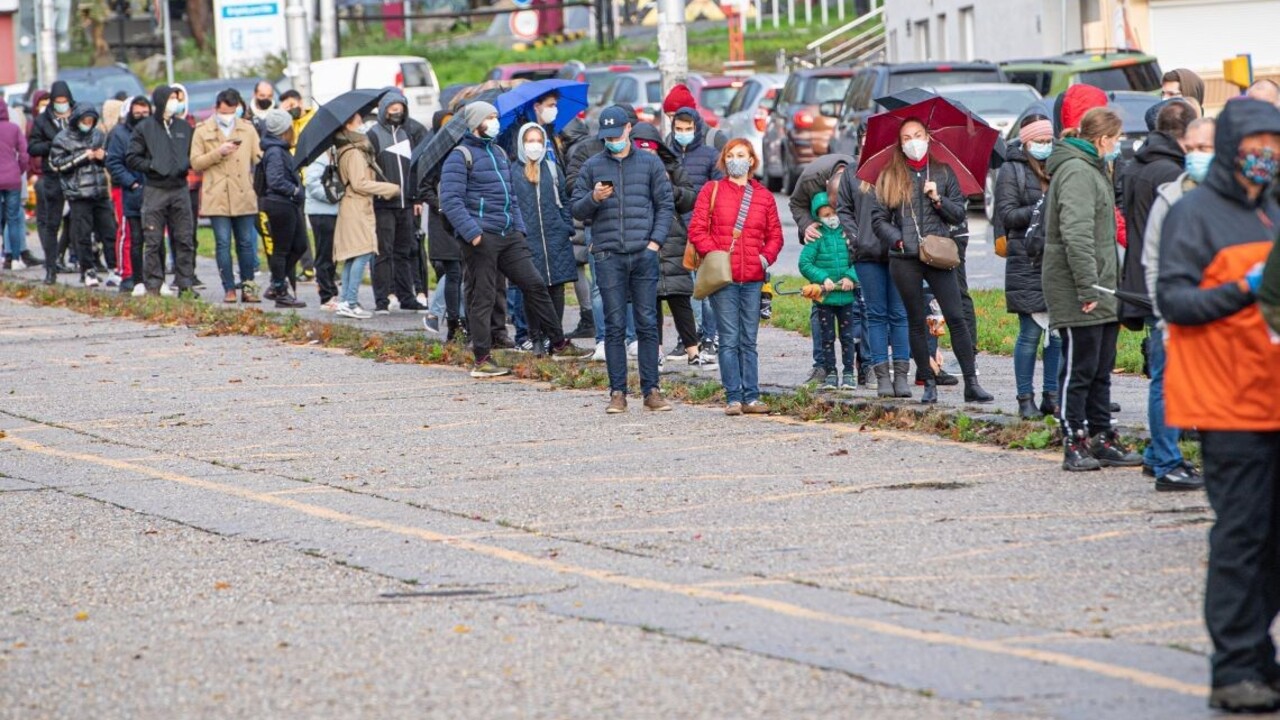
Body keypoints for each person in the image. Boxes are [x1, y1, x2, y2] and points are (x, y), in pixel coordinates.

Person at [1157, 98, 1280, 714]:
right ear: (1233, 146)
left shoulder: (1273, 213)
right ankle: (1233, 668)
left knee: (1273, 541)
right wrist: (1244, 289)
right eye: (1259, 142)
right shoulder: (1195, 216)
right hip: (1227, 404)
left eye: (1277, 144)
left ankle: (1261, 660)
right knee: (1242, 537)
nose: (1269, 154)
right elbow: (1175, 302)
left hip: (1273, 396)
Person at [441, 101, 589, 379]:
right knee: (483, 296)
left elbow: (511, 197)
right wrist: (473, 234)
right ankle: (482, 358)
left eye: (496, 116)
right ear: (477, 122)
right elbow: (450, 201)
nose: (496, 122)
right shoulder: (460, 156)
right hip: (481, 238)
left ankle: (557, 342)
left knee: (534, 285)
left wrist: (518, 227)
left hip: (509, 234)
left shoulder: (497, 152)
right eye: (491, 117)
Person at [1041, 107, 1141, 470]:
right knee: (1079, 369)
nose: (1117, 147)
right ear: (1101, 140)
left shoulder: (1093, 168)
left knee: (1101, 367)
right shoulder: (1077, 172)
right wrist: (1087, 288)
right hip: (1081, 288)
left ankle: (1102, 435)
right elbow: (1076, 234)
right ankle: (1074, 439)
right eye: (1114, 140)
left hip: (1100, 285)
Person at [872, 118, 992, 405]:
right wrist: (899, 240)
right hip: (905, 258)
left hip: (938, 255)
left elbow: (958, 215)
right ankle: (928, 382)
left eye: (917, 135)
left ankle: (971, 383)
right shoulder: (890, 176)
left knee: (956, 317)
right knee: (916, 321)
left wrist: (938, 199)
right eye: (906, 138)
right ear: (900, 144)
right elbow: (878, 219)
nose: (913, 142)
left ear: (928, 138)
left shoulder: (942, 171)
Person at [571, 105, 675, 412]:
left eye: (616, 134)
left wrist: (655, 243)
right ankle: (617, 392)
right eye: (606, 136)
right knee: (614, 325)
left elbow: (665, 205)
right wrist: (594, 198)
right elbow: (576, 209)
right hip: (608, 255)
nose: (612, 140)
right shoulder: (591, 166)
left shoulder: (649, 164)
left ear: (629, 129)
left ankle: (651, 390)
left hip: (644, 254)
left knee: (646, 324)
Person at [1140, 116, 1213, 492]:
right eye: (1192, 148)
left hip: (1220, 315)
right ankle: (1166, 459)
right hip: (1175, 312)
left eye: (1206, 149)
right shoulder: (1171, 197)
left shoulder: (1237, 196)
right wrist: (1164, 315)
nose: (1197, 156)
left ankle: (1159, 455)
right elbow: (1153, 260)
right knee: (1166, 382)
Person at [688, 139, 782, 415]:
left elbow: (775, 235)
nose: (735, 160)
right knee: (729, 338)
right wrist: (716, 255)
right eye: (730, 155)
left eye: (741, 155)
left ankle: (751, 396)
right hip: (724, 278)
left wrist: (763, 258)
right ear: (724, 160)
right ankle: (733, 396)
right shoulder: (712, 189)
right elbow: (697, 229)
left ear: (752, 160)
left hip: (752, 277)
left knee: (748, 340)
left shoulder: (764, 196)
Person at [997, 114, 1062, 419]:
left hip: (1054, 258)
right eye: (1039, 141)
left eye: (1049, 141)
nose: (1044, 147)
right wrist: (1040, 207)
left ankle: (1052, 394)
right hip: (1025, 258)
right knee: (1031, 333)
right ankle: (1025, 398)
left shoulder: (1058, 166)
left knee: (1057, 333)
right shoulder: (1012, 170)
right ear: (1026, 142)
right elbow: (1007, 215)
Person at [630, 122, 706, 369]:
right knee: (650, 302)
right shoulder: (628, 170)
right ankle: (656, 352)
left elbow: (689, 199)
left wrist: (669, 189)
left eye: (649, 148)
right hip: (643, 239)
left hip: (672, 239)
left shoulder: (672, 168)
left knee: (679, 298)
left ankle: (693, 351)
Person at [837, 165, 909, 398]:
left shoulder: (899, 168)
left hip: (899, 251)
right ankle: (881, 376)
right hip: (867, 252)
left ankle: (901, 375)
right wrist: (856, 238)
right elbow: (844, 209)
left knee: (899, 313)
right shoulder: (852, 174)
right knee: (875, 314)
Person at [789, 153, 856, 385]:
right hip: (820, 248)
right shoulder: (811, 179)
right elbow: (795, 203)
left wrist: (853, 234)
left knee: (853, 325)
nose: (834, 216)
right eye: (831, 210)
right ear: (827, 189)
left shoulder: (857, 175)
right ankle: (823, 367)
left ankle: (858, 367)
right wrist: (808, 225)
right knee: (822, 321)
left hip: (847, 263)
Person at [191, 89, 262, 304]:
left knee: (246, 243)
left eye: (232, 111)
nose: (229, 116)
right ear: (216, 108)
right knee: (223, 243)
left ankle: (249, 287)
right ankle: (228, 288)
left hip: (243, 192)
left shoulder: (247, 129)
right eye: (225, 112)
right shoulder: (203, 130)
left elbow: (259, 158)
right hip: (217, 194)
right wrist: (218, 152)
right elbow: (195, 162)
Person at [510, 122, 576, 350]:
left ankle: (554, 337)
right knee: (532, 289)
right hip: (528, 241)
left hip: (555, 238)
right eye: (530, 141)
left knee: (556, 288)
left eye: (539, 140)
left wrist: (566, 226)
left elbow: (565, 201)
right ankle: (536, 337)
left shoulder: (552, 168)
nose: (534, 145)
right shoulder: (513, 172)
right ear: (521, 143)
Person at [126, 85, 196, 297]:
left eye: (177, 98)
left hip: (180, 188)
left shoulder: (184, 127)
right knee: (153, 240)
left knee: (184, 238)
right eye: (171, 98)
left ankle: (185, 283)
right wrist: (152, 166)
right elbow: (131, 157)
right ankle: (154, 285)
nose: (175, 102)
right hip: (155, 189)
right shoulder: (145, 127)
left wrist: (186, 165)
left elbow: (193, 153)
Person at [332, 111, 401, 320]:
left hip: (355, 206)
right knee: (362, 253)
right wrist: (389, 188)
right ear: (349, 126)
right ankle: (350, 301)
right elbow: (359, 183)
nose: (363, 125)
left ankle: (346, 300)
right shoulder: (353, 152)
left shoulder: (351, 149)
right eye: (359, 121)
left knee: (353, 254)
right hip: (357, 207)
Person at [668, 105, 724, 359]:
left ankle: (710, 337)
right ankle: (689, 337)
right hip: (677, 230)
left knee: (707, 287)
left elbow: (717, 192)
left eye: (688, 129)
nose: (683, 133)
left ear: (696, 128)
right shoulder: (667, 155)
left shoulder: (710, 156)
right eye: (678, 129)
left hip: (704, 229)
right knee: (685, 290)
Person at [367, 91, 430, 314]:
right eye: (392, 107)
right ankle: (382, 299)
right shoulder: (373, 135)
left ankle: (406, 296)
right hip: (383, 204)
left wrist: (416, 197)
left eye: (400, 107)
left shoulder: (407, 133)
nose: (397, 111)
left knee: (405, 251)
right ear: (383, 110)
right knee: (383, 252)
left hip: (406, 203)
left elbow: (414, 169)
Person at [48, 104, 115, 287]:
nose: (88, 124)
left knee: (109, 231)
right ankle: (87, 270)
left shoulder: (98, 135)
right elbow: (57, 165)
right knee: (83, 234)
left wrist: (104, 156)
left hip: (100, 191)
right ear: (77, 120)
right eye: (85, 121)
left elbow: (110, 161)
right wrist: (83, 157)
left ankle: (113, 269)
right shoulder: (62, 139)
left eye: (91, 121)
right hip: (78, 193)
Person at [800, 192, 861, 389]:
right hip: (825, 299)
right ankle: (830, 371)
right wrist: (822, 278)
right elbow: (805, 263)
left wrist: (851, 277)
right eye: (825, 215)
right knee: (826, 336)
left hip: (846, 297)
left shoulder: (848, 234)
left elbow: (859, 259)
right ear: (818, 217)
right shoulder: (816, 238)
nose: (831, 218)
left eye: (833, 213)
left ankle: (849, 372)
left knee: (847, 337)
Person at [256, 110, 307, 308]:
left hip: (286, 204)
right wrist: (294, 190)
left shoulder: (279, 148)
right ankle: (279, 288)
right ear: (284, 130)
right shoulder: (276, 151)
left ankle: (277, 284)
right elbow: (275, 180)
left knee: (299, 245)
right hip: (279, 204)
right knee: (282, 249)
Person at [423, 110, 466, 342]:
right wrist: (442, 205)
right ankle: (450, 321)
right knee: (453, 272)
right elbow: (423, 188)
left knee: (462, 273)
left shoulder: (462, 151)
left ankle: (459, 319)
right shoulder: (433, 155)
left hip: (462, 219)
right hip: (442, 222)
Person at [28, 81, 75, 285]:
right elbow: (33, 147)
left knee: (78, 221)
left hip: (75, 174)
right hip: (53, 175)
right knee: (51, 223)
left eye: (65, 102)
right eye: (58, 102)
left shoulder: (77, 116)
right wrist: (54, 144)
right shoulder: (42, 121)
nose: (61, 105)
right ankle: (51, 268)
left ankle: (82, 264)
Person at [105, 96, 149, 295]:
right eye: (137, 113)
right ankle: (127, 274)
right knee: (128, 234)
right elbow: (113, 162)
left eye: (145, 113)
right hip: (129, 189)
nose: (141, 117)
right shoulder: (119, 134)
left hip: (153, 189)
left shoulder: (154, 131)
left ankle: (150, 275)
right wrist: (131, 182)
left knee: (153, 236)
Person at [304, 147, 340, 310]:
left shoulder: (335, 156)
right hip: (320, 211)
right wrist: (331, 196)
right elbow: (311, 183)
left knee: (333, 253)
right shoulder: (318, 158)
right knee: (324, 252)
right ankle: (326, 295)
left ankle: (331, 290)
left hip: (334, 211)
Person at [0, 100, 32, 270]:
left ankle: (1, 256)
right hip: (12, 179)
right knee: (13, 219)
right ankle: (15, 259)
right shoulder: (13, 128)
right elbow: (24, 153)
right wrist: (18, 170)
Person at [661, 84, 726, 150]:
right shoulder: (669, 140)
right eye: (669, 116)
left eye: (674, 115)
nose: (672, 120)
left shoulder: (714, 138)